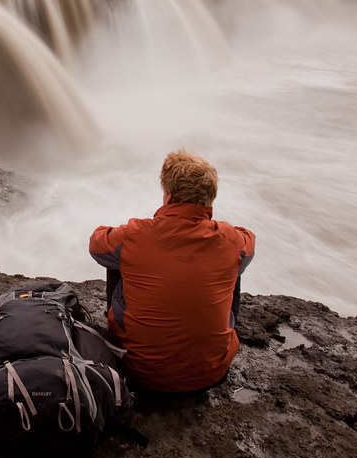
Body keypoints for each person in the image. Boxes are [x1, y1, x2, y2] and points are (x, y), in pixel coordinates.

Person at [89, 150, 256, 393]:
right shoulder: (230, 239)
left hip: (139, 373)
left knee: (117, 258)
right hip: (212, 374)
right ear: (210, 199)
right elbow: (248, 239)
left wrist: (126, 233)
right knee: (234, 261)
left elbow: (97, 243)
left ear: (168, 195)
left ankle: (127, 336)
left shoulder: (137, 234)